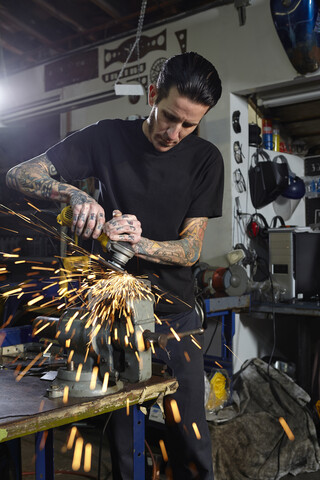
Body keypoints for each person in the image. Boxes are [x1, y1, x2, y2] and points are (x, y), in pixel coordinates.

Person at [6, 52, 224, 479]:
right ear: (152, 94)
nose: (175, 133)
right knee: (126, 445)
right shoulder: (105, 137)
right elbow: (20, 173)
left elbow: (190, 249)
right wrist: (72, 194)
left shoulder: (205, 160)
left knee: (191, 443)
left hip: (175, 318)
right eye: (169, 117)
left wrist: (135, 242)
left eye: (190, 124)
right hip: (116, 317)